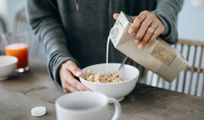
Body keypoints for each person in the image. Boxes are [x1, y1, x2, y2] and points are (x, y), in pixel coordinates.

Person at [26, 0, 184, 92]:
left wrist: (163, 16)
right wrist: (58, 57)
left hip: (137, 75)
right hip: (74, 77)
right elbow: (42, 16)